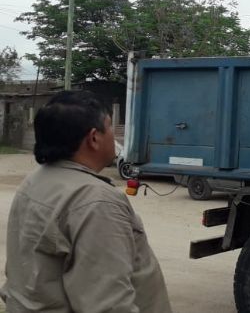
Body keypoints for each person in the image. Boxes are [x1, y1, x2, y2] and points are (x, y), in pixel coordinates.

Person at [1, 90, 172, 313]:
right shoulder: (96, 201)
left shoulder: (36, 181)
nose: (115, 135)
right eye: (110, 127)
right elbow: (108, 304)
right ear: (94, 138)